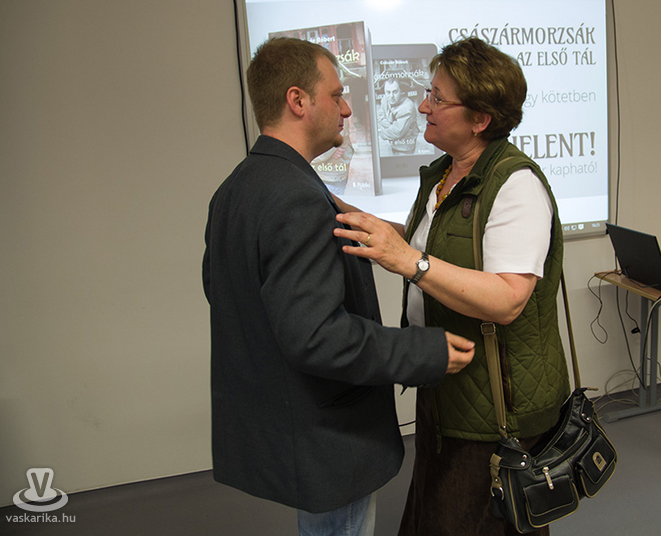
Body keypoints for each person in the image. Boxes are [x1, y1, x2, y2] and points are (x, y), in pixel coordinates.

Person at [202, 37, 475, 536]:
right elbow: (317, 337)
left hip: (287, 426)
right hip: (325, 437)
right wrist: (424, 350)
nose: (347, 109)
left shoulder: (236, 187)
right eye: (337, 95)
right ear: (297, 101)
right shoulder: (298, 199)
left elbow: (231, 297)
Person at [333, 37, 570, 536]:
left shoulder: (516, 186)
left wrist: (407, 261)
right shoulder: (445, 174)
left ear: (480, 118)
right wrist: (353, 216)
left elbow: (508, 299)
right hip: (448, 386)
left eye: (438, 98)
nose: (424, 106)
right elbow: (432, 245)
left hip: (496, 408)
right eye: (428, 93)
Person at [377, 78, 420, 155]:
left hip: (405, 148)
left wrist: (380, 132)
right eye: (388, 92)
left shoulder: (407, 107)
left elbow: (397, 132)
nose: (391, 96)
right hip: (393, 145)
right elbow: (380, 117)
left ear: (401, 91)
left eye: (395, 92)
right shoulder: (385, 99)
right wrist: (392, 126)